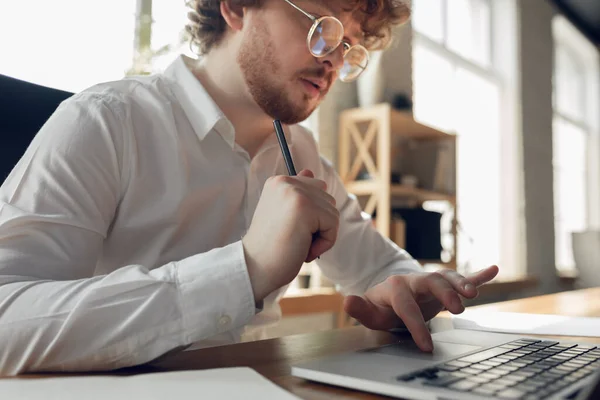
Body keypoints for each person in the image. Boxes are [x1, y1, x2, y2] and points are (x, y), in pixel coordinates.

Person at [0, 0, 498, 375]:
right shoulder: (108, 121)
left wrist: (407, 290)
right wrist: (246, 269)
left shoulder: (302, 156)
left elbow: (380, 267)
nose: (333, 61)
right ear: (237, 5)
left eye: (349, 46)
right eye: (320, 25)